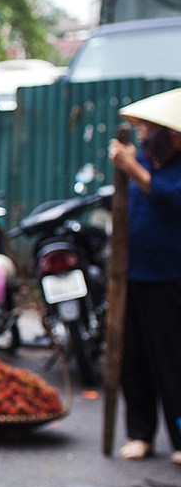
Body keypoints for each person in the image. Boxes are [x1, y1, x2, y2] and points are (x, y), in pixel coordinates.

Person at [107, 87, 181, 466]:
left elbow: (167, 197)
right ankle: (140, 434)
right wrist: (132, 165)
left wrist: (131, 166)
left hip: (167, 277)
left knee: (169, 359)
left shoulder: (171, 169)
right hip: (132, 275)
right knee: (131, 359)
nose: (142, 133)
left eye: (149, 128)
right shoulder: (148, 162)